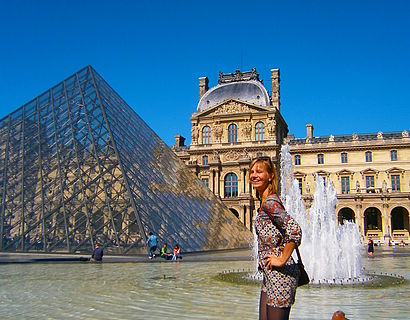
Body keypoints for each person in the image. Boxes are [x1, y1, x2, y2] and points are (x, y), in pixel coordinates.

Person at [249, 156, 302, 320]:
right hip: (269, 276)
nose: (253, 175)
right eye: (251, 171)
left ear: (271, 175)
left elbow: (295, 230)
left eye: (259, 171)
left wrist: (281, 259)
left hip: (281, 275)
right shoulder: (265, 202)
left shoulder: (270, 203)